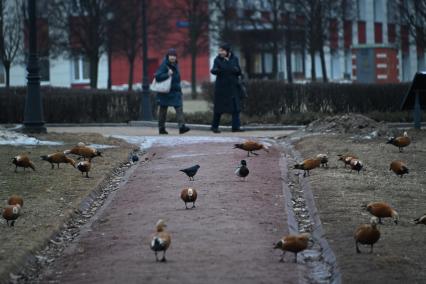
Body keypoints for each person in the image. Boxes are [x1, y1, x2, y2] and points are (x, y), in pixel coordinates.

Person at [154, 48, 190, 135]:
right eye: (171, 56)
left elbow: (177, 79)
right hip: (165, 92)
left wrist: (179, 90)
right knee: (163, 110)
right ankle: (161, 128)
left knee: (179, 108)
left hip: (175, 91)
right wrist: (167, 74)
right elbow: (157, 76)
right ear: (168, 56)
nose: (172, 57)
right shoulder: (164, 65)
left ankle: (182, 127)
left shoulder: (176, 64)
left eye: (174, 56)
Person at [210, 43, 244, 133]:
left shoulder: (235, 59)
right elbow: (213, 70)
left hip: (233, 87)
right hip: (221, 88)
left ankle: (236, 127)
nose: (220, 52)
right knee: (218, 109)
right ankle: (214, 127)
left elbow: (239, 71)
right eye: (219, 50)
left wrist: (234, 69)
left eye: (222, 50)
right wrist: (220, 69)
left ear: (227, 51)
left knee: (236, 109)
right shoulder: (217, 60)